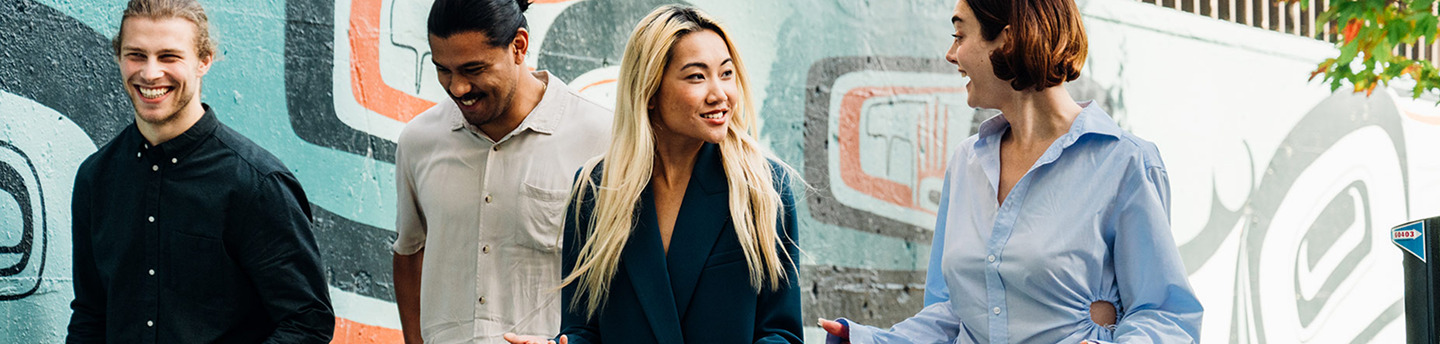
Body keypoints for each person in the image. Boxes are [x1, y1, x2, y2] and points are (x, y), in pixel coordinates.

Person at [819, 0, 1204, 343]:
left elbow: (1167, 315)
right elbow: (953, 315)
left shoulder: (1125, 162)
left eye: (959, 36)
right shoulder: (966, 162)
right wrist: (870, 340)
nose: (951, 54)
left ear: (1008, 39)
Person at [502, 5, 803, 344]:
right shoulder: (596, 190)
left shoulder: (763, 187)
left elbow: (781, 333)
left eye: (726, 73)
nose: (720, 94)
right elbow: (584, 329)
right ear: (649, 91)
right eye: (697, 76)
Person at [66, 0, 334, 342]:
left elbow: (308, 323)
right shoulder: (95, 178)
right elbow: (91, 315)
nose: (150, 73)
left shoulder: (257, 184)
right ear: (118, 56)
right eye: (136, 55)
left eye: (169, 57)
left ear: (203, 60)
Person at [390, 0, 614, 342]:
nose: (457, 87)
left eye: (473, 69)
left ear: (519, 46)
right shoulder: (419, 141)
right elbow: (410, 252)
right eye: (443, 70)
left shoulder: (600, 138)